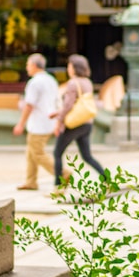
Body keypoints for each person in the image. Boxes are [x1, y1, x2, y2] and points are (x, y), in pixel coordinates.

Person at [51, 54, 106, 190]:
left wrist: (59, 121)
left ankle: (58, 187)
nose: (68, 69)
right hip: (86, 122)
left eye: (69, 66)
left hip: (74, 124)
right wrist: (58, 113)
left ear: (75, 68)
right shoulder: (87, 82)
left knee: (57, 153)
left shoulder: (73, 83)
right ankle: (107, 179)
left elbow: (69, 105)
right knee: (87, 156)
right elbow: (78, 104)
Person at [13, 53, 66, 190]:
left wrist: (20, 124)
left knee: (38, 153)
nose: (27, 68)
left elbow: (29, 105)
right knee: (31, 152)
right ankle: (31, 181)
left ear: (35, 66)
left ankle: (63, 174)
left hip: (39, 123)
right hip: (49, 120)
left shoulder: (34, 82)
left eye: (28, 65)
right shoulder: (51, 80)